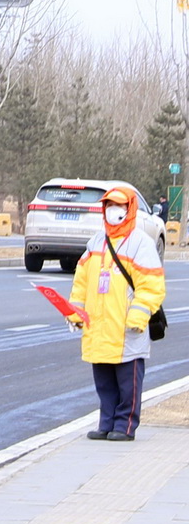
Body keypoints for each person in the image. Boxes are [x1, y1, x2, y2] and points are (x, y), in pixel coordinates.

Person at [67, 186, 165, 442]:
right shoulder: (97, 242)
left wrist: (137, 317)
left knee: (127, 384)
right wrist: (75, 312)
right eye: (109, 205)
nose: (113, 210)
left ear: (129, 208)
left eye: (119, 205)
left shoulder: (140, 243)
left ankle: (124, 426)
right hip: (99, 328)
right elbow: (81, 282)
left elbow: (151, 286)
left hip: (126, 330)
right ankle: (106, 422)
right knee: (104, 384)